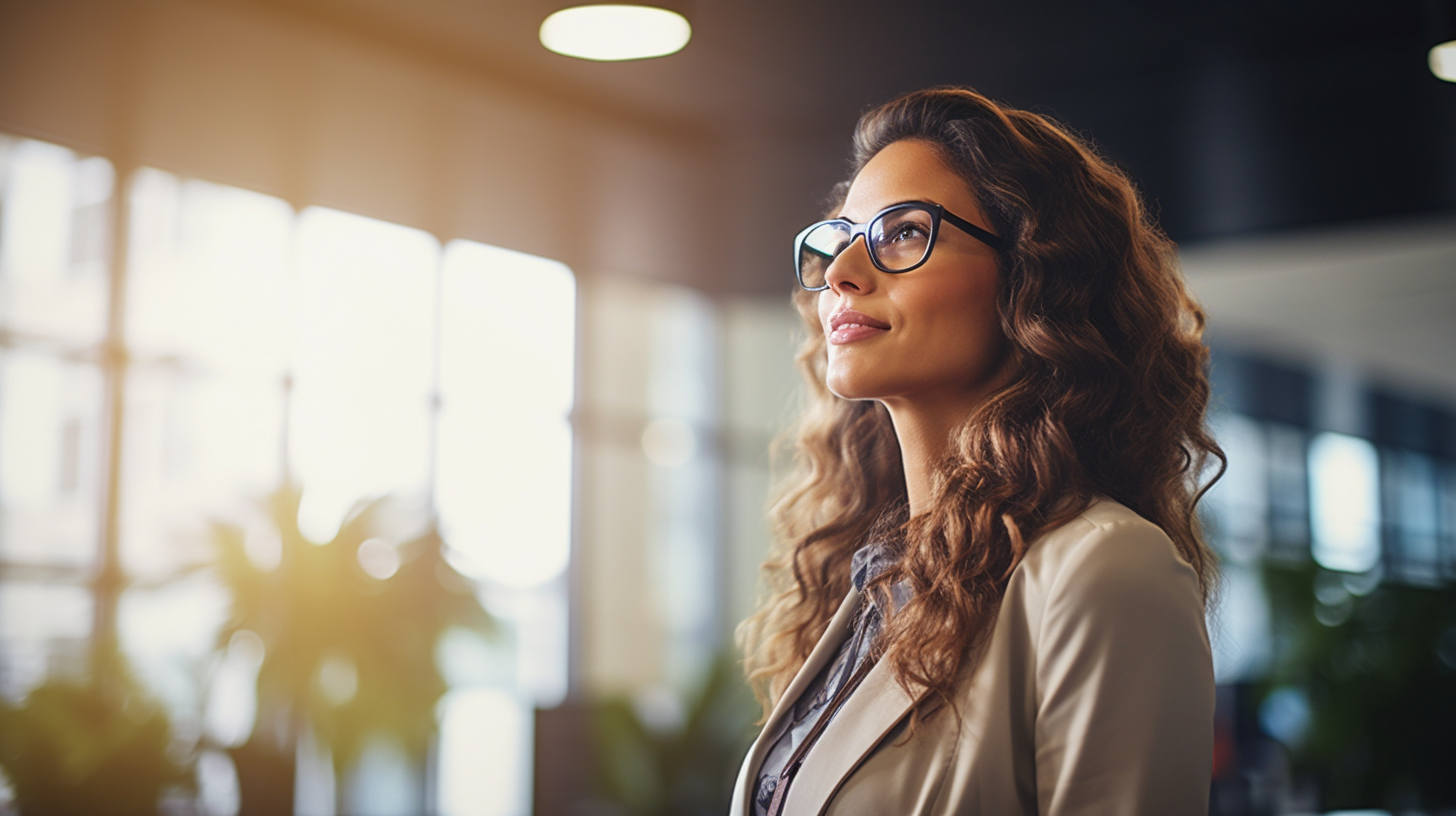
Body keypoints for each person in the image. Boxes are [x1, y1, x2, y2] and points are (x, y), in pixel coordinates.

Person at [731, 87, 1222, 816]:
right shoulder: (877, 583)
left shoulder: (1105, 568)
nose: (840, 273)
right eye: (839, 240)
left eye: (901, 233)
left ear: (1031, 277)